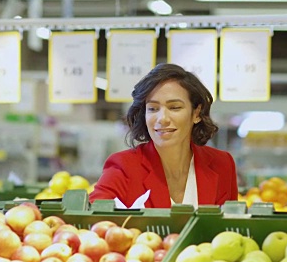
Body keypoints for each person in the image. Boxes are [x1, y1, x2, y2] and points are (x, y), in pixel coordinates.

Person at [89, 63, 239, 208]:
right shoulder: (123, 167)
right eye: (153, 109)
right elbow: (93, 221)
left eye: (174, 107)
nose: (162, 119)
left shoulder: (222, 164)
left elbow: (230, 227)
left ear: (196, 113)